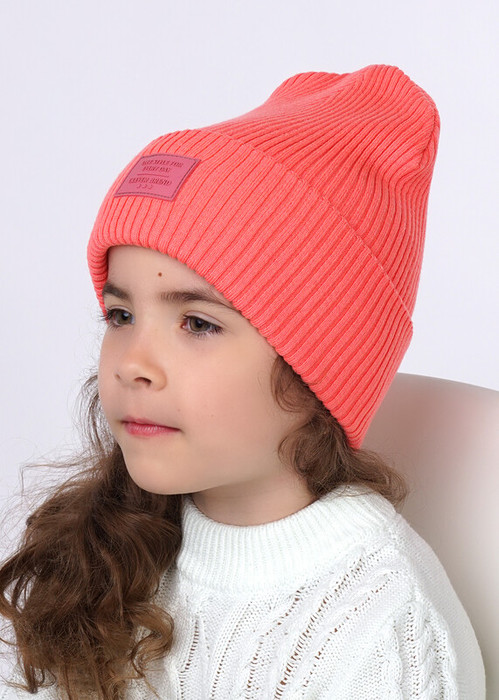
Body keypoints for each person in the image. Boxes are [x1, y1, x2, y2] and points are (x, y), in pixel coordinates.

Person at [0, 65, 485, 699]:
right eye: (120, 316)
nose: (131, 362)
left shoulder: (381, 632)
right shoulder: (107, 550)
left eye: (198, 323)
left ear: (318, 364)